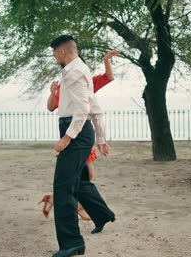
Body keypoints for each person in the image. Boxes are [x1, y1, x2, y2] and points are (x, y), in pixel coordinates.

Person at [49, 35, 115, 257]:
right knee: (78, 182)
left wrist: (66, 138)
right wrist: (101, 139)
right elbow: (94, 106)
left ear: (62, 53)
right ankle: (103, 214)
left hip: (75, 133)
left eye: (54, 54)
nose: (54, 57)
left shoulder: (75, 73)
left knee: (63, 188)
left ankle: (72, 244)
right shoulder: (78, 70)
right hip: (80, 132)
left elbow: (82, 111)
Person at [40, 50, 119, 221]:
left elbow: (108, 77)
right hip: (71, 135)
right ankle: (91, 212)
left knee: (83, 177)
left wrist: (106, 60)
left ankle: (58, 201)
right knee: (81, 178)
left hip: (80, 134)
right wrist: (52, 92)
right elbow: (51, 107)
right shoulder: (65, 86)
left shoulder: (85, 81)